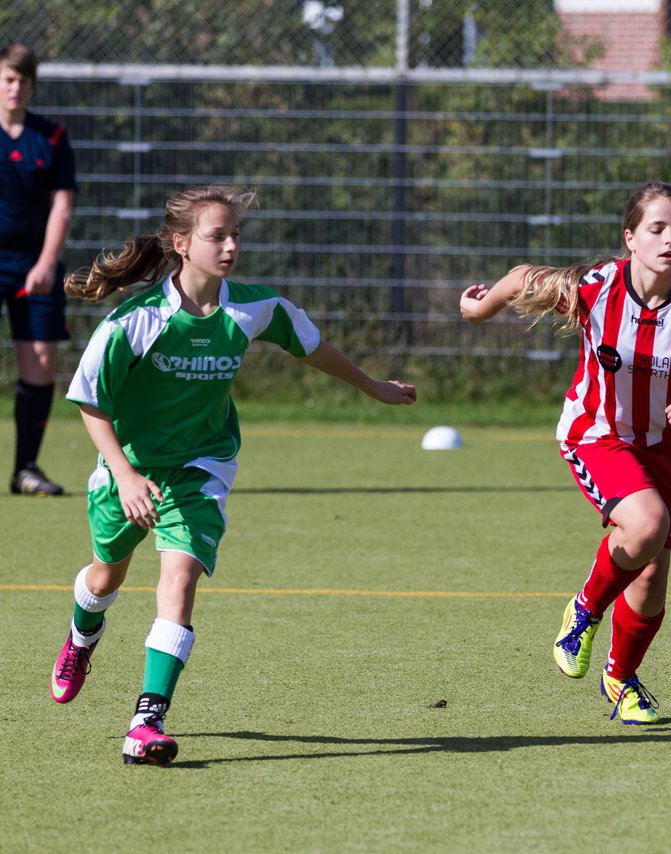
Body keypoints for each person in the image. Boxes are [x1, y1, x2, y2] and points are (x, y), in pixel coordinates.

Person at [49, 184, 416, 765]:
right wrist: (122, 475)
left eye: (235, 235)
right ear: (181, 243)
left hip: (202, 464)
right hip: (131, 468)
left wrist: (376, 387)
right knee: (104, 577)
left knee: (181, 579)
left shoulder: (253, 307)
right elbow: (89, 400)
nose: (230, 246)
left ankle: (147, 720)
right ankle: (80, 637)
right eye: (216, 235)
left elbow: (314, 348)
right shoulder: (135, 321)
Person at [459, 182, 671, 724]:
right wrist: (479, 310)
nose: (669, 238)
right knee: (647, 526)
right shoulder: (599, 287)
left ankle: (620, 679)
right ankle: (583, 612)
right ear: (630, 239)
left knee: (651, 577)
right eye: (656, 228)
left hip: (666, 449)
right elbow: (521, 278)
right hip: (596, 433)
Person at [0, 44, 77, 495]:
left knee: (41, 363)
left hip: (35, 266)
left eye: (24, 81)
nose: (16, 88)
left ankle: (26, 469)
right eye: (8, 79)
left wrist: (47, 262)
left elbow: (62, 204)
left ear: (32, 86)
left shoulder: (51, 138)